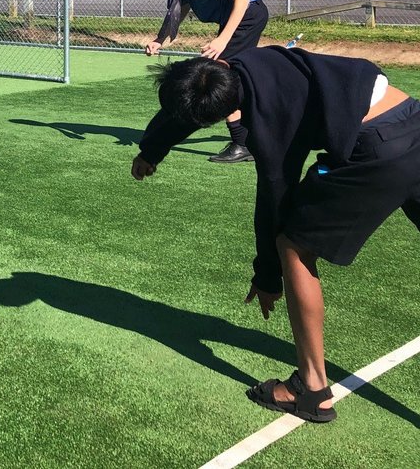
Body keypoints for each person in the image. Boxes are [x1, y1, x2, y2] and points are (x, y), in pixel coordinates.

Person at [131, 47, 420, 424]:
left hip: (377, 149)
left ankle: (312, 390)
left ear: (225, 117)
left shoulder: (268, 125)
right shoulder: (244, 64)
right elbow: (194, 97)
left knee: (293, 245)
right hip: (413, 118)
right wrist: (152, 149)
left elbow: (275, 199)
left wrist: (268, 275)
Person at [145, 0, 268, 163]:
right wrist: (160, 40)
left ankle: (242, 143)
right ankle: (255, 128)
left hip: (249, 15)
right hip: (232, 21)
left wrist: (222, 40)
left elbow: (241, 1)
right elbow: (176, 13)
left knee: (218, 75)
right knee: (229, 75)